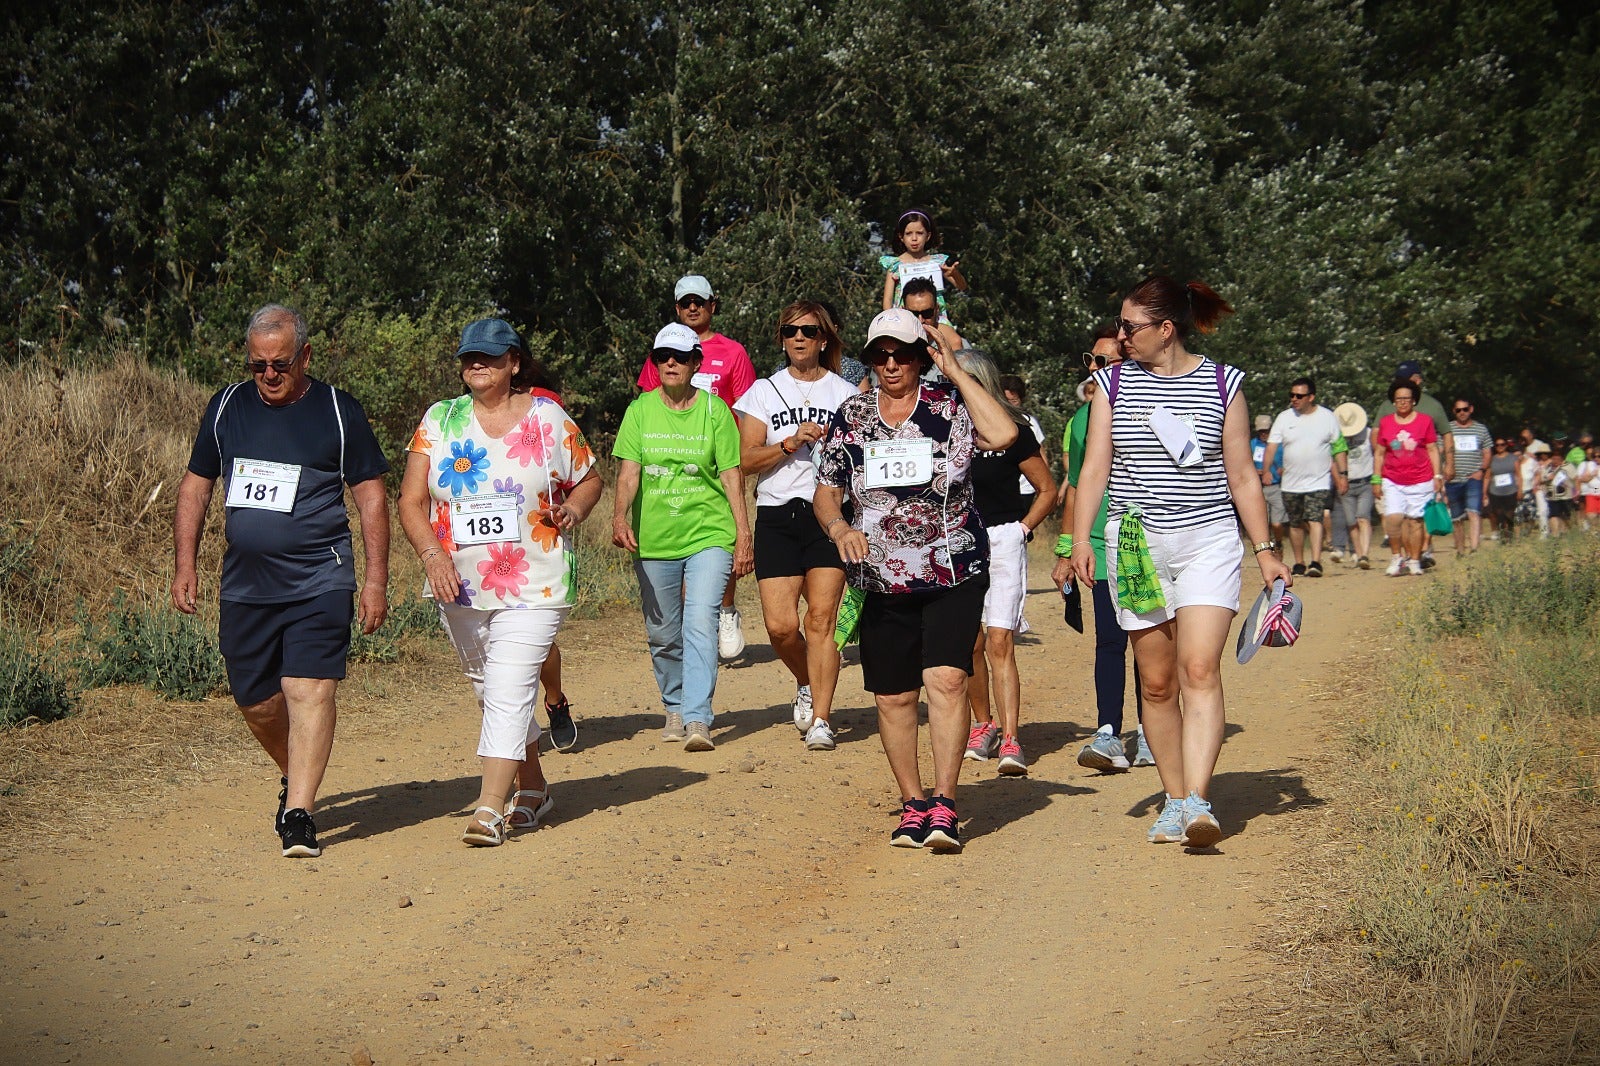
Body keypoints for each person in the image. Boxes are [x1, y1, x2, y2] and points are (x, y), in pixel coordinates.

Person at [1070, 276, 1291, 849]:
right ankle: (1171, 799)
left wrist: (1264, 552)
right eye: (1119, 325)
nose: (1120, 336)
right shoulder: (1110, 384)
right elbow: (1094, 469)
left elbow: (1243, 475)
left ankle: (1197, 799)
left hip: (1207, 542)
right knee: (1158, 680)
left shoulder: (1223, 383)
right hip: (1137, 545)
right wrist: (1079, 541)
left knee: (1199, 668)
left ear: (1165, 330)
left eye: (1130, 327)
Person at [171, 304, 390, 858]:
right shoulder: (225, 408)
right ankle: (297, 775)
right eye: (258, 365)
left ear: (305, 356)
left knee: (307, 689)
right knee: (255, 698)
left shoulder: (340, 412)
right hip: (246, 582)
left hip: (322, 575)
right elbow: (196, 488)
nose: (268, 374)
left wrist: (374, 581)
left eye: (280, 364)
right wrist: (185, 565)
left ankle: (299, 813)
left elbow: (370, 496)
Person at [814, 309, 1018, 853]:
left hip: (951, 568)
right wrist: (837, 527)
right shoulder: (852, 414)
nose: (890, 363)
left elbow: (1003, 433)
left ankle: (946, 804)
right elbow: (827, 487)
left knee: (948, 680)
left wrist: (955, 372)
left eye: (902, 353)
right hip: (879, 574)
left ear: (920, 355)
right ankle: (913, 802)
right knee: (894, 698)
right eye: (880, 354)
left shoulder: (950, 407)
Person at [398, 318, 601, 846]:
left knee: (510, 685)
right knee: (491, 690)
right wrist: (430, 555)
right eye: (468, 357)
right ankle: (532, 786)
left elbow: (590, 476)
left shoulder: (547, 416)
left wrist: (575, 508)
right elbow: (411, 500)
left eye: (488, 356)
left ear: (514, 361)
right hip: (457, 583)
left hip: (536, 578)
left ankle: (490, 806)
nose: (476, 365)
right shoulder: (439, 420)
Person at [614, 324, 754, 751]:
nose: (670, 363)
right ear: (654, 365)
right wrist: (620, 518)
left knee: (700, 620)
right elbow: (629, 471)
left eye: (679, 356)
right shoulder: (639, 411)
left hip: (709, 531)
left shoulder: (715, 412)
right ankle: (673, 706)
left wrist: (743, 534)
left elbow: (732, 476)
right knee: (662, 630)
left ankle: (697, 717)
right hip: (655, 537)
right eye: (662, 357)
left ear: (696, 362)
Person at [733, 302, 858, 751]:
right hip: (777, 513)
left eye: (808, 330)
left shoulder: (847, 394)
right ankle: (807, 678)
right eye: (790, 331)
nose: (799, 338)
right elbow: (745, 460)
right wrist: (788, 443)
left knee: (821, 620)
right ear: (781, 338)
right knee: (781, 627)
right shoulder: (763, 392)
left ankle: (822, 719)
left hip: (830, 515)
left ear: (824, 338)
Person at [636, 274, 757, 660]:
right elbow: (647, 400)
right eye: (685, 302)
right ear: (676, 308)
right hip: (671, 454)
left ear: (712, 305)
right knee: (683, 533)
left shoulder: (733, 352)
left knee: (717, 534)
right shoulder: (662, 350)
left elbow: (747, 406)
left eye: (699, 302)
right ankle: (696, 621)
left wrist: (738, 454)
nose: (693, 308)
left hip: (717, 455)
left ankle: (725, 610)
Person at [1052, 329, 1152, 772]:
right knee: (1110, 640)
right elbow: (1076, 484)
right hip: (1100, 542)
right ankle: (1108, 732)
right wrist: (1066, 548)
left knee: (1149, 641)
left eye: (1105, 361)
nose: (1094, 369)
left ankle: (1152, 733)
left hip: (1150, 541)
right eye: (1091, 360)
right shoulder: (1079, 421)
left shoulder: (1155, 405)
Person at [957, 348, 1055, 777]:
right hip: (956, 542)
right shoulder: (944, 429)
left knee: (1000, 640)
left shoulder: (1013, 429)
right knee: (969, 642)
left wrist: (1022, 529)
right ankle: (983, 725)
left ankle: (1012, 737)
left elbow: (1047, 488)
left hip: (1003, 539)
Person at [1262, 377, 1345, 577]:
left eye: (1299, 395)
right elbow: (1272, 446)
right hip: (1291, 482)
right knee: (1296, 523)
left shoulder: (1327, 417)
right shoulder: (1284, 417)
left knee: (1315, 519)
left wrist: (1343, 474)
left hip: (1319, 480)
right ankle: (1299, 561)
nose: (1294, 399)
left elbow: (1339, 446)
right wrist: (1266, 470)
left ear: (1311, 397)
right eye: (1292, 395)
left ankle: (1316, 561)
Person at [1374, 360, 1449, 568]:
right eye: (1398, 399)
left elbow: (1433, 449)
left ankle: (1415, 560)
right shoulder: (1386, 422)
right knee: (1394, 518)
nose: (1403, 402)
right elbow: (1380, 453)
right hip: (1393, 478)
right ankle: (1397, 556)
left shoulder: (1425, 421)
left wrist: (1438, 475)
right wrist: (1376, 478)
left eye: (1407, 399)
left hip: (1420, 478)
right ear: (1394, 401)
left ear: (1414, 400)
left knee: (1415, 521)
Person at [880, 207, 968, 323]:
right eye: (909, 234)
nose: (914, 238)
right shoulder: (895, 265)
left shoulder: (937, 263)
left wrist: (955, 274)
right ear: (901, 237)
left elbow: (962, 287)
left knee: (955, 341)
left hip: (935, 319)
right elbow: (887, 300)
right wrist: (891, 321)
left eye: (920, 233)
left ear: (928, 236)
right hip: (904, 320)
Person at [1444, 398, 1493, 555]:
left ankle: (1474, 548)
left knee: (1473, 511)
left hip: (1473, 477)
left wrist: (1481, 470)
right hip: (1453, 479)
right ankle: (1460, 549)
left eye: (1465, 409)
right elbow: (1439, 450)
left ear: (1471, 409)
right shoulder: (1448, 430)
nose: (1462, 413)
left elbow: (1487, 452)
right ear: (1454, 411)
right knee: (1457, 518)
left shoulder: (1481, 429)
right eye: (1458, 410)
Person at [1333, 402, 1375, 568]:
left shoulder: (1369, 433)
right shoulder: (1336, 438)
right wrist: (1338, 480)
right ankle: (1358, 553)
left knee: (1362, 517)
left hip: (1366, 481)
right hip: (1347, 484)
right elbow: (1333, 461)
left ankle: (1364, 554)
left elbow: (1377, 453)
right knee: (1351, 521)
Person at [1251, 414, 1288, 548]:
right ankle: (1269, 548)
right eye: (1261, 431)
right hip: (1259, 489)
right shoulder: (1252, 444)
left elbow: (1289, 461)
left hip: (1277, 487)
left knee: (1277, 523)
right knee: (1263, 523)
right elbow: (1245, 465)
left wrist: (1284, 469)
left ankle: (1279, 543)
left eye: (1266, 430)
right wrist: (1255, 472)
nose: (1264, 434)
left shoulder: (1279, 445)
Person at [1485, 437, 1523, 540]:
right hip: (1495, 492)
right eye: (1497, 445)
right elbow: (1487, 477)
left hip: (1511, 491)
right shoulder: (1491, 459)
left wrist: (1520, 490)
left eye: (1502, 444)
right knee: (1499, 514)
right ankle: (1503, 536)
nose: (1500, 447)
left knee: (1510, 514)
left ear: (1505, 446)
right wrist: (1484, 492)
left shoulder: (1513, 458)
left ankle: (1510, 533)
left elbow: (1519, 475)